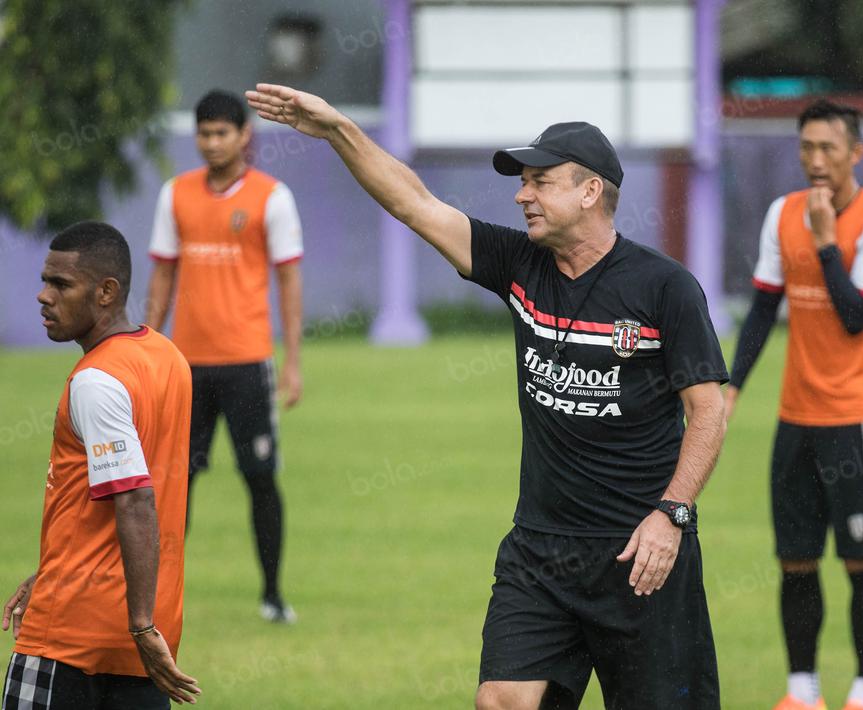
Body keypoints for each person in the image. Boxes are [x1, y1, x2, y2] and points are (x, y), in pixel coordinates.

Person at [244, 83, 728, 709]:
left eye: (540, 181)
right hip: (540, 554)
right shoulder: (517, 263)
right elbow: (416, 204)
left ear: (590, 192)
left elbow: (708, 411)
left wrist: (673, 514)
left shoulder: (665, 288)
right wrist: (339, 128)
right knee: (501, 700)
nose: (522, 195)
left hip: (641, 554)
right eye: (521, 182)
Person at [725, 99, 863, 710]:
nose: (815, 160)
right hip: (794, 418)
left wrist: (829, 244)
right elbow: (761, 309)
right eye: (806, 147)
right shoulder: (783, 214)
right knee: (795, 561)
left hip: (856, 419)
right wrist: (730, 388)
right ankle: (801, 692)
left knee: (861, 559)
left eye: (828, 148)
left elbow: (858, 319)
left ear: (856, 153)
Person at [3, 222, 199, 708]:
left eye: (61, 284)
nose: (43, 296)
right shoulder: (167, 357)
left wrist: (141, 623)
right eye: (46, 281)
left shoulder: (96, 380)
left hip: (71, 634)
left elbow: (135, 498)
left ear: (106, 292)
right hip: (141, 643)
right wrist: (55, 568)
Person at [145, 89, 304, 623]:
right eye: (204, 133)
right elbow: (163, 273)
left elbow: (289, 282)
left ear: (243, 137)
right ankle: (162, 594)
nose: (211, 143)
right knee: (176, 482)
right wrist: (146, 345)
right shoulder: (175, 195)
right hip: (186, 366)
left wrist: (293, 361)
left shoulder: (272, 197)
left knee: (259, 477)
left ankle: (273, 594)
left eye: (221, 133)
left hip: (247, 364)